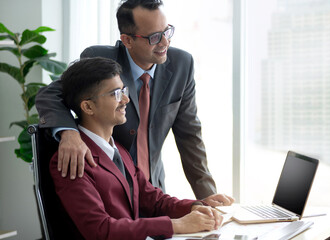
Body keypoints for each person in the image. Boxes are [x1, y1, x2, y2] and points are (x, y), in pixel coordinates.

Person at [36, 0, 233, 204]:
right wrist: (69, 133)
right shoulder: (100, 60)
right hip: (112, 193)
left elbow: (190, 136)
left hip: (154, 193)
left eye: (167, 32)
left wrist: (209, 198)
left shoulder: (182, 64)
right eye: (155, 37)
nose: (165, 42)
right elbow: (49, 95)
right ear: (127, 40)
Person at [51, 57, 223, 240]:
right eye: (115, 94)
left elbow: (152, 199)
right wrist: (177, 225)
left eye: (123, 90)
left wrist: (193, 206)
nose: (126, 99)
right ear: (88, 106)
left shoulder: (118, 148)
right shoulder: (72, 160)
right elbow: (99, 230)